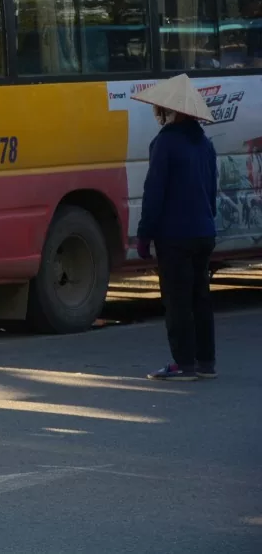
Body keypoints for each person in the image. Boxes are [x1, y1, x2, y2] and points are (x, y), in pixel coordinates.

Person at [133, 74, 219, 381]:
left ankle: (183, 363)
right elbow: (212, 189)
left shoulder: (165, 142)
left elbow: (154, 191)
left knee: (178, 301)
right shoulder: (205, 143)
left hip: (175, 235)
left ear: (172, 110)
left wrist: (144, 234)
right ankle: (206, 362)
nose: (158, 112)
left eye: (160, 107)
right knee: (201, 298)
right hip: (203, 232)